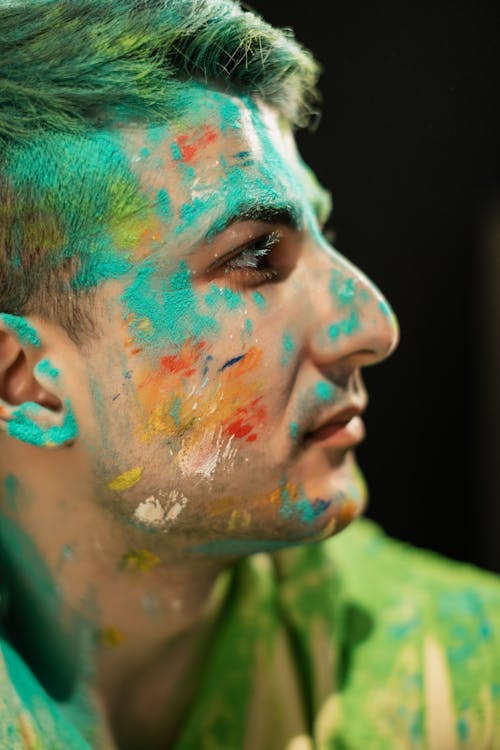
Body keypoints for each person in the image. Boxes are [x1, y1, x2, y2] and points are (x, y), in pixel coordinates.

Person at [0, 0, 499, 748]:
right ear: (28, 384)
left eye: (322, 233)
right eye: (256, 257)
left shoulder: (460, 683)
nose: (373, 326)